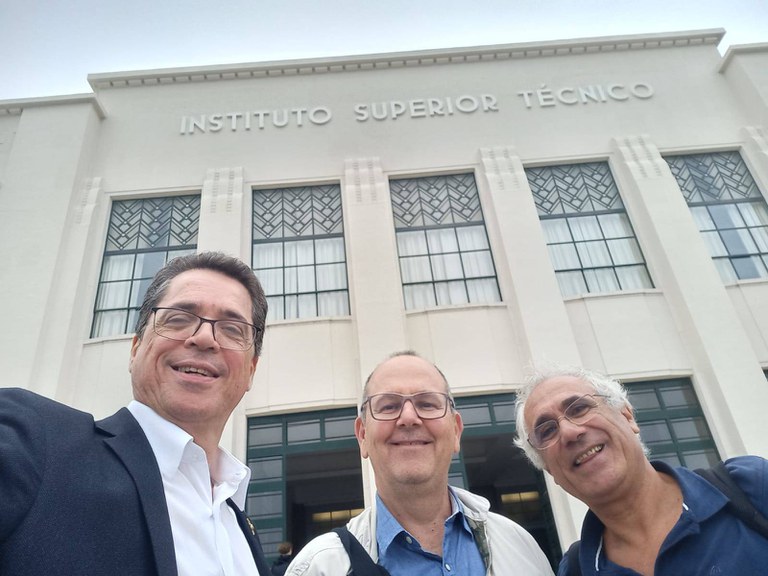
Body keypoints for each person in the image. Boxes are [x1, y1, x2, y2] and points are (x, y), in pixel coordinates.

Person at [0, 251, 272, 576]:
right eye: (178, 318)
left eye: (231, 329)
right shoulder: (36, 443)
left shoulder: (239, 522)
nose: (203, 338)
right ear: (135, 349)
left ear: (251, 371)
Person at [286, 351, 554, 576]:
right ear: (363, 436)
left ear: (456, 431)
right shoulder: (316, 568)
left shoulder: (520, 547)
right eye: (389, 406)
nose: (409, 418)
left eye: (427, 403)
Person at [514, 366, 768, 575]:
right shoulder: (576, 570)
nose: (569, 432)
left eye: (579, 408)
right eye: (547, 431)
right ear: (550, 471)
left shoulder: (750, 485)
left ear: (627, 416)